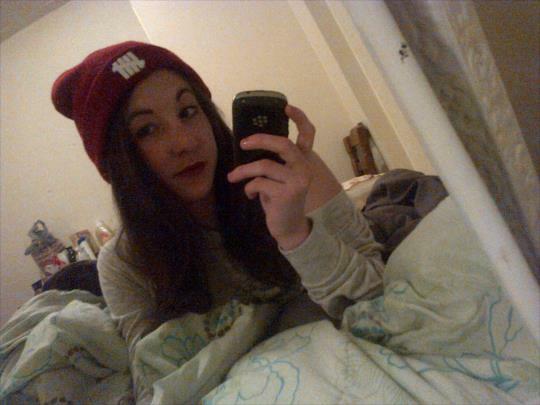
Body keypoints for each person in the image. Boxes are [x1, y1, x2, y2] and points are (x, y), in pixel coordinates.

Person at [51, 41, 384, 400]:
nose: (184, 141)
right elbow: (161, 386)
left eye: (188, 111)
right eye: (147, 130)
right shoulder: (124, 261)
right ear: (119, 161)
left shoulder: (290, 174)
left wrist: (296, 236)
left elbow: (379, 301)